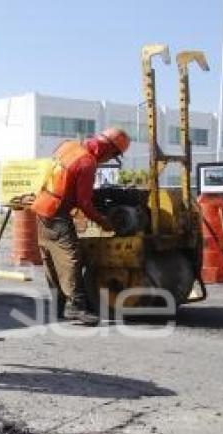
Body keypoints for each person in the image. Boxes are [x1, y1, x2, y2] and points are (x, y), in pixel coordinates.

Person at [30, 127, 130, 325]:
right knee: (71, 258)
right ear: (108, 150)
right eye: (111, 157)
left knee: (51, 258)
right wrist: (104, 222)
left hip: (42, 207)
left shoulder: (69, 146)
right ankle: (76, 307)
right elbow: (85, 203)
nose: (108, 160)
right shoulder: (87, 162)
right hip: (56, 212)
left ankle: (58, 306)